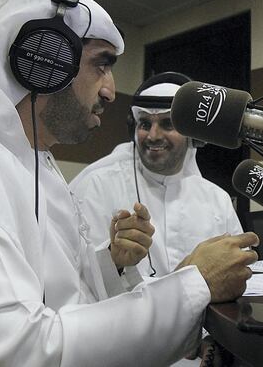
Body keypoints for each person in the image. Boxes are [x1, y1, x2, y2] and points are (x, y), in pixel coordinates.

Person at [0, 0, 258, 367]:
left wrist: (111, 262)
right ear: (43, 62)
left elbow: (65, 296)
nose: (109, 91)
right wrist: (195, 283)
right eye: (101, 66)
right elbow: (7, 353)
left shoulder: (29, 162)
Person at [71, 72, 243, 278]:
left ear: (194, 136)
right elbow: (81, 278)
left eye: (167, 124)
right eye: (144, 124)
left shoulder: (217, 200)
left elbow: (237, 267)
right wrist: (114, 262)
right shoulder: (97, 187)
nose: (153, 136)